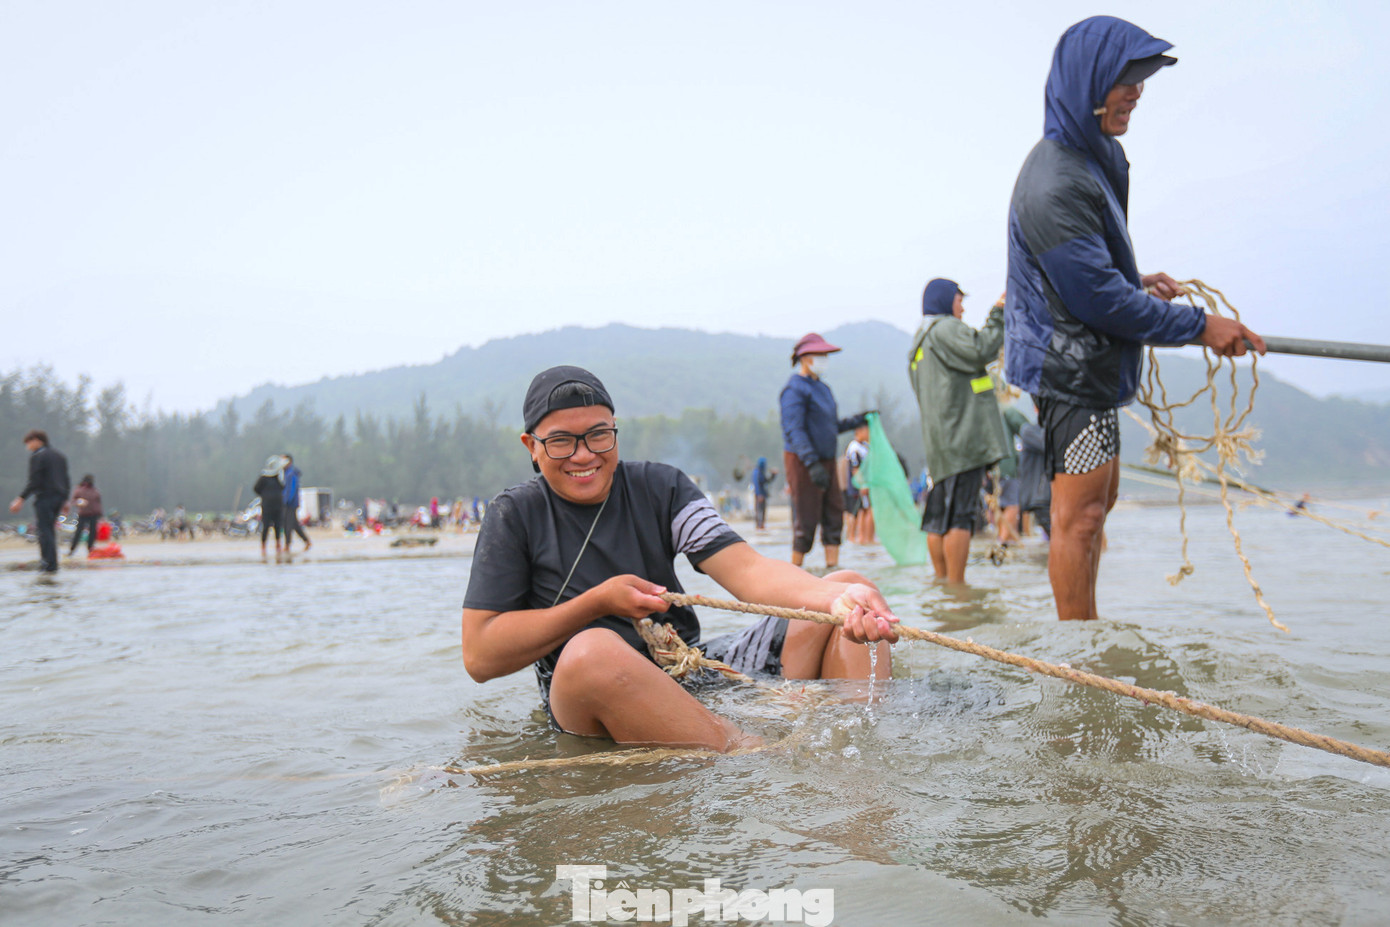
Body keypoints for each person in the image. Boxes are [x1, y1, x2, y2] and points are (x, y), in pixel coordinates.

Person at [461, 365, 898, 751]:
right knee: (591, 650)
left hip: (692, 670)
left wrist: (836, 599)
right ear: (531, 446)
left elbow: (747, 570)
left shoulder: (662, 487)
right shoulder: (513, 514)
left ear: (615, 430)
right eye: (560, 441)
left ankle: (857, 745)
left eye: (598, 435)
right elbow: (480, 656)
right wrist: (595, 604)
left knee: (849, 584)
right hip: (595, 697)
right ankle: (749, 752)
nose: (583, 455)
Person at [1004, 16, 1266, 620]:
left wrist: (1135, 278)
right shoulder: (1054, 182)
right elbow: (1100, 300)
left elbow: (1091, 273)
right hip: (1067, 369)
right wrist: (1204, 326)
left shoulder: (1093, 157)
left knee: (1101, 507)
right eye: (1128, 78)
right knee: (1079, 518)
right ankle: (1076, 660)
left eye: (1143, 79)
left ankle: (1086, 636)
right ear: (1089, 83)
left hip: (1091, 363)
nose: (1139, 91)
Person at [908, 280, 1010, 584]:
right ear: (945, 301)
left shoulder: (919, 342)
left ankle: (943, 585)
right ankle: (958, 588)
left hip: (940, 446)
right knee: (960, 517)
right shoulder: (945, 329)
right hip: (963, 440)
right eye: (959, 300)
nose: (962, 308)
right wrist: (999, 313)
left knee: (937, 519)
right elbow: (980, 349)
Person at [779, 333, 869, 571]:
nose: (824, 359)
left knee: (833, 514)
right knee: (806, 518)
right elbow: (794, 430)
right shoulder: (794, 389)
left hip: (827, 459)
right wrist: (811, 463)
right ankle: (795, 571)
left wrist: (857, 421)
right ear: (806, 357)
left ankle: (833, 568)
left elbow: (830, 426)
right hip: (803, 461)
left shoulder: (823, 389)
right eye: (821, 355)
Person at [9, 429, 71, 574]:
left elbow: (35, 481)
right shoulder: (59, 456)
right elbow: (66, 480)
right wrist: (66, 499)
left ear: (37, 440)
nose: (28, 447)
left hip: (45, 497)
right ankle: (53, 563)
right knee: (50, 530)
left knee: (44, 530)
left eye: (28, 443)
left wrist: (21, 498)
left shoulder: (38, 456)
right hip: (59, 497)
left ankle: (47, 564)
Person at [996, 405, 1030, 544]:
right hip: (1006, 466)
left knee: (998, 506)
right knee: (1012, 505)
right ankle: (1002, 543)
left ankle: (1004, 540)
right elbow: (1027, 430)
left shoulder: (980, 413)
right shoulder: (1006, 412)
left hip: (988, 466)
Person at [843, 423, 874, 544]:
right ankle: (857, 537)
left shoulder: (866, 446)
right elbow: (855, 468)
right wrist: (862, 484)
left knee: (865, 510)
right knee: (859, 511)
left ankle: (866, 537)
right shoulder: (854, 447)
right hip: (858, 486)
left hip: (866, 484)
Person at [254, 455, 287, 558]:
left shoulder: (278, 477)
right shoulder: (263, 477)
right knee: (266, 526)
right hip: (267, 506)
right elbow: (256, 489)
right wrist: (266, 495)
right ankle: (263, 547)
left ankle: (278, 545)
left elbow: (283, 487)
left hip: (277, 506)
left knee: (278, 526)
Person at [67, 474, 104, 556]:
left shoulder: (94, 490)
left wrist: (100, 514)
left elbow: (98, 503)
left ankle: (89, 550)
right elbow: (74, 500)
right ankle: (73, 550)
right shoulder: (81, 490)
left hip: (93, 514)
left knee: (92, 533)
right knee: (79, 532)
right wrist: (78, 502)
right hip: (84, 514)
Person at [281, 453, 312, 552]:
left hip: (290, 503)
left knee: (288, 524)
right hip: (287, 502)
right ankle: (306, 541)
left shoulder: (292, 473)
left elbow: (292, 489)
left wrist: (286, 501)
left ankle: (287, 544)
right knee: (294, 524)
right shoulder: (284, 473)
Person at [750, 456, 778, 531]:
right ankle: (759, 525)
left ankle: (761, 524)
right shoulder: (756, 472)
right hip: (759, 495)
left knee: (763, 510)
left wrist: (773, 475)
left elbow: (766, 481)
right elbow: (756, 484)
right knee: (759, 510)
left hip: (763, 494)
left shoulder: (761, 472)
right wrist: (759, 494)